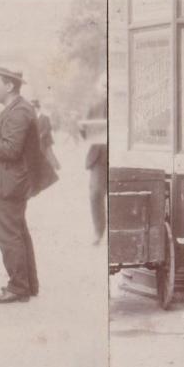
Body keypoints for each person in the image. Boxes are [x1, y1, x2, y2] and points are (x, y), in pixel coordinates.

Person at [0, 67, 57, 303]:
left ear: (9, 86)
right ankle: (27, 285)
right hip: (10, 181)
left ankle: (18, 287)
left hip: (9, 183)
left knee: (8, 235)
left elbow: (11, 150)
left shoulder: (19, 111)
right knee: (17, 232)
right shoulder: (17, 108)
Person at [83, 75, 107, 245]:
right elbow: (87, 134)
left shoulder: (123, 106)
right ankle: (98, 231)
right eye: (104, 86)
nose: (107, 89)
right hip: (98, 157)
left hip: (116, 155)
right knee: (95, 194)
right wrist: (82, 129)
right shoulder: (94, 107)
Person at [33, 99, 60, 171]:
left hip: (46, 139)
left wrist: (42, 134)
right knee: (42, 153)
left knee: (49, 153)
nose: (33, 110)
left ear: (38, 108)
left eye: (35, 108)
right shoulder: (33, 118)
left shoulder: (45, 117)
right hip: (39, 139)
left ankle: (56, 166)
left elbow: (48, 128)